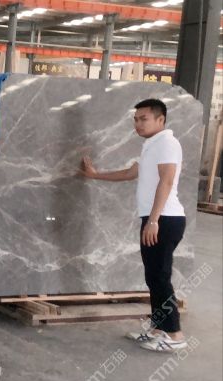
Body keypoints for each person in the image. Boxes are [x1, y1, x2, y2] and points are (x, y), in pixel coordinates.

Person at [79, 98, 187, 353]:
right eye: (136, 119)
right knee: (153, 276)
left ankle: (175, 334)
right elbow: (130, 173)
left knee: (160, 277)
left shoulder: (167, 143)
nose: (138, 124)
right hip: (157, 218)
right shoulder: (152, 144)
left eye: (143, 119)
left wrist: (153, 220)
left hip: (164, 219)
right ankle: (159, 329)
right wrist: (95, 175)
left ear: (160, 119)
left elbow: (166, 181)